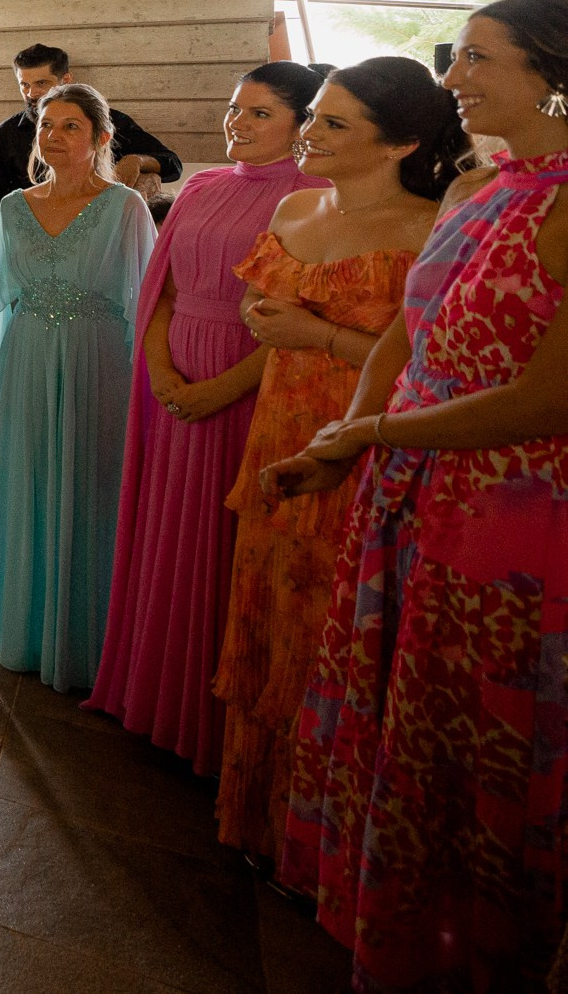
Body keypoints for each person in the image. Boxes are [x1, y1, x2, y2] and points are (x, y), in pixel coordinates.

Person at [269, 0, 568, 991]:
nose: (452, 79)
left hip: (512, 513)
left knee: (483, 737)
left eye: (478, 58)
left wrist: (375, 431)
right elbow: (408, 329)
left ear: (553, 75)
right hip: (408, 482)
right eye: (455, 56)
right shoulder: (476, 186)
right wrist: (344, 438)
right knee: (412, 719)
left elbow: (546, 398)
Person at [211, 58, 459, 866]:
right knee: (271, 614)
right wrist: (265, 315)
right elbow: (256, 305)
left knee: (336, 630)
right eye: (314, 114)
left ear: (401, 143)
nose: (310, 132)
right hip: (279, 428)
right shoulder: (295, 206)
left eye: (334, 122)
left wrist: (318, 333)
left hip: (360, 443)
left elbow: (426, 362)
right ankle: (259, 822)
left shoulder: (429, 226)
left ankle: (328, 847)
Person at [85, 61, 327, 768]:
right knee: (171, 530)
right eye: (234, 108)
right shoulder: (202, 185)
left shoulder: (316, 199)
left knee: (225, 541)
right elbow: (161, 289)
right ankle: (155, 693)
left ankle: (214, 722)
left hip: (251, 381)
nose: (237, 123)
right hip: (175, 377)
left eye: (259, 113)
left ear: (301, 123)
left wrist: (220, 391)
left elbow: (301, 319)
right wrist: (162, 371)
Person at [0, 83, 156, 694]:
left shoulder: (126, 208)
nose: (52, 136)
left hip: (98, 360)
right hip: (28, 356)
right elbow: (1, 301)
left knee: (91, 483)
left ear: (102, 136)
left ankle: (87, 640)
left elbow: (145, 303)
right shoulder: (12, 207)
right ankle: (27, 630)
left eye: (70, 125)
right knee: (28, 478)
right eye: (46, 125)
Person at [0, 43, 182, 232]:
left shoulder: (107, 122)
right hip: (30, 235)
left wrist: (137, 160)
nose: (31, 93)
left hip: (102, 232)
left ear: (66, 80)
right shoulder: (6, 133)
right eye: (24, 84)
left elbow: (173, 164)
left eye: (42, 83)